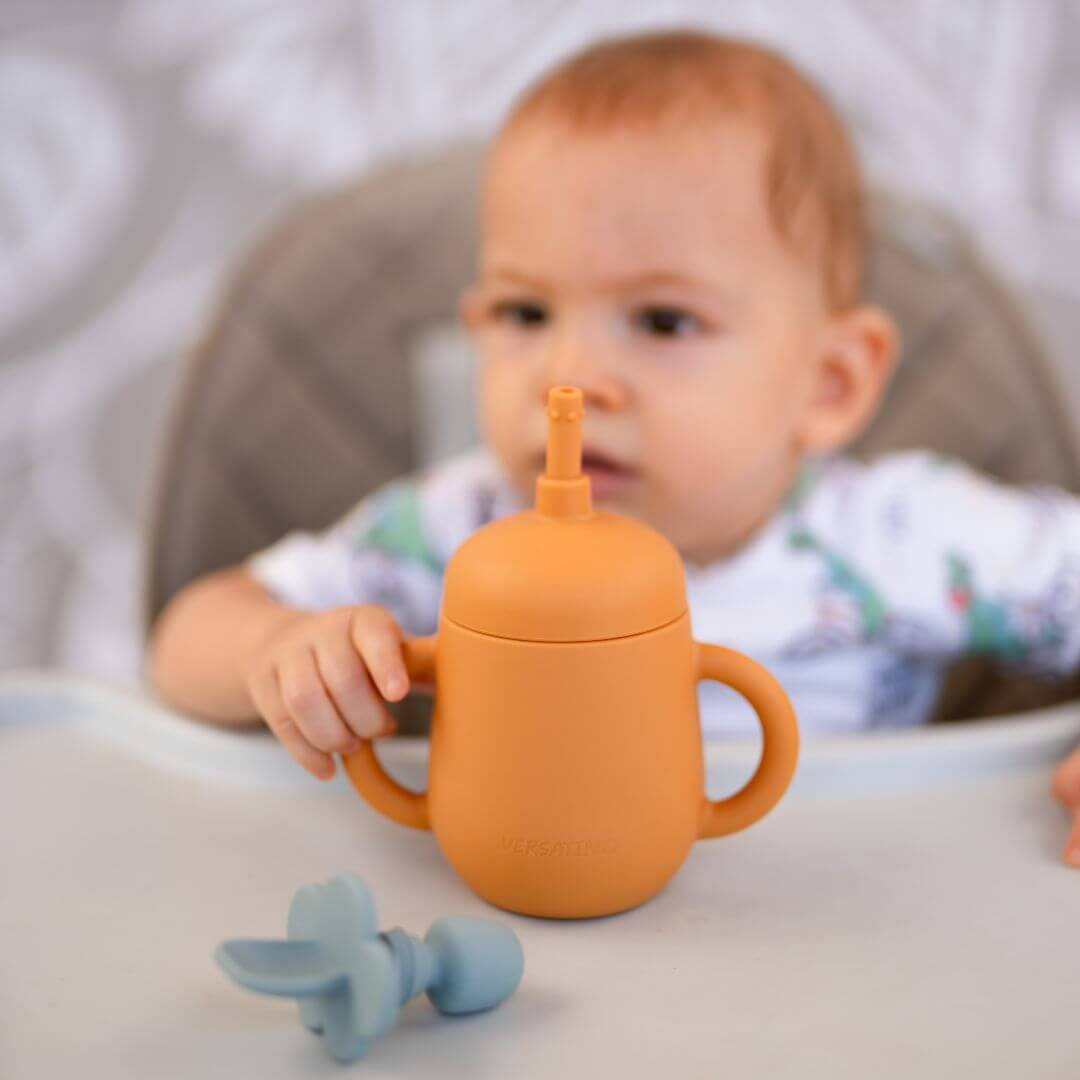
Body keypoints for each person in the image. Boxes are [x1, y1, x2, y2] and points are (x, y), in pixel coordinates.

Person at [147, 30, 1080, 864]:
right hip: (531, 933)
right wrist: (280, 648)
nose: (571, 375)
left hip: (837, 934)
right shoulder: (454, 529)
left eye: (663, 320)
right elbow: (182, 643)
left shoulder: (905, 536)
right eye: (524, 312)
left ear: (829, 382)